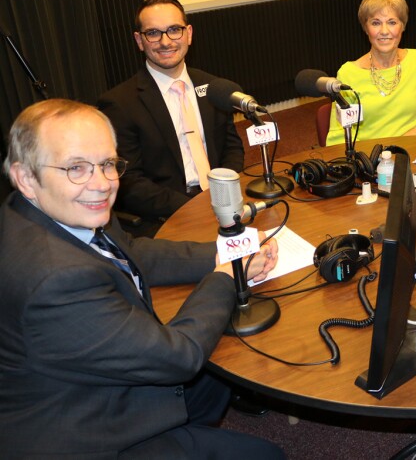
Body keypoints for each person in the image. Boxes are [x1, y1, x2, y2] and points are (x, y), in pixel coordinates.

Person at [0, 99, 284, 459]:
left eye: (107, 164)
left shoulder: (48, 210)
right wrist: (226, 275)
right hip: (85, 432)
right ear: (25, 177)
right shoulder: (55, 279)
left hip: (85, 377)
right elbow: (178, 357)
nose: (101, 184)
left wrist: (223, 251)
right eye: (76, 168)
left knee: (227, 360)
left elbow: (132, 250)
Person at [98, 0, 244, 238]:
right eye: (153, 33)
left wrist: (223, 194)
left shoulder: (213, 87)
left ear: (188, 34)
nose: (166, 42)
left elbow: (232, 148)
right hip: (166, 215)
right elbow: (130, 182)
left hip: (222, 200)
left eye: (174, 30)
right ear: (139, 40)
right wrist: (193, 208)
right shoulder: (119, 103)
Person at [325, 0, 416, 146]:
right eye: (376, 23)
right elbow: (338, 139)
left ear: (402, 26)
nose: (384, 31)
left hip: (410, 155)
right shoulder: (349, 74)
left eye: (392, 22)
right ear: (365, 28)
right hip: (368, 161)